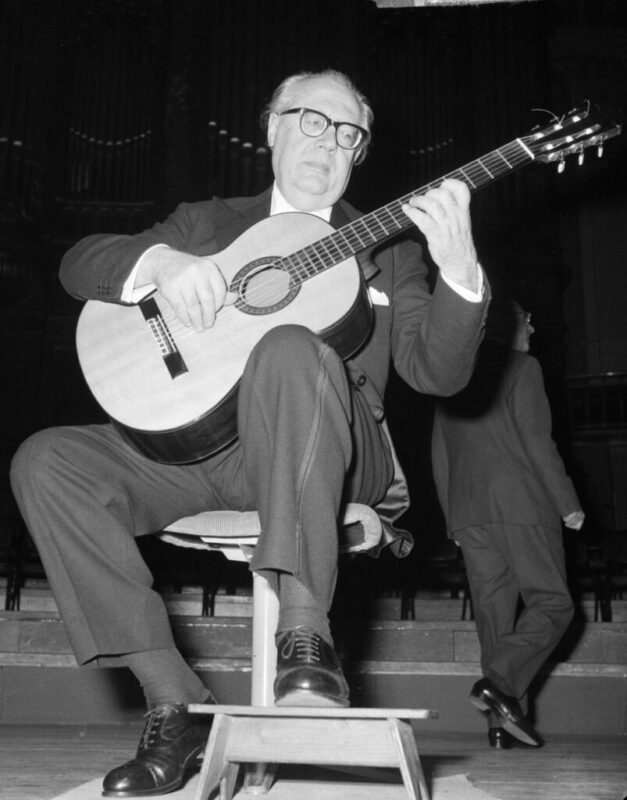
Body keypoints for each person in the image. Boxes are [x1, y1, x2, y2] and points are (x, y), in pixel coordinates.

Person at [10, 69, 488, 797]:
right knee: (47, 461)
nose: (328, 141)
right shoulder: (206, 222)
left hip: (327, 447)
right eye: (309, 120)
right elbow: (81, 264)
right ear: (269, 127)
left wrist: (460, 271)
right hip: (197, 449)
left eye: (348, 132)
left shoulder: (390, 249)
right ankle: (174, 702)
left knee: (291, 346)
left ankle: (304, 636)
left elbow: (439, 374)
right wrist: (160, 265)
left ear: (360, 153)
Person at [431, 299, 585, 750]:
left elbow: (438, 455)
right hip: (524, 505)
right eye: (527, 320)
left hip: (469, 514)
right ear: (506, 325)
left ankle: (499, 727)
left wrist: (452, 521)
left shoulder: (452, 377)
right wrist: (567, 503)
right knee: (554, 604)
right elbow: (538, 442)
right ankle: (498, 684)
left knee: (495, 619)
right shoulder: (523, 367)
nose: (533, 328)